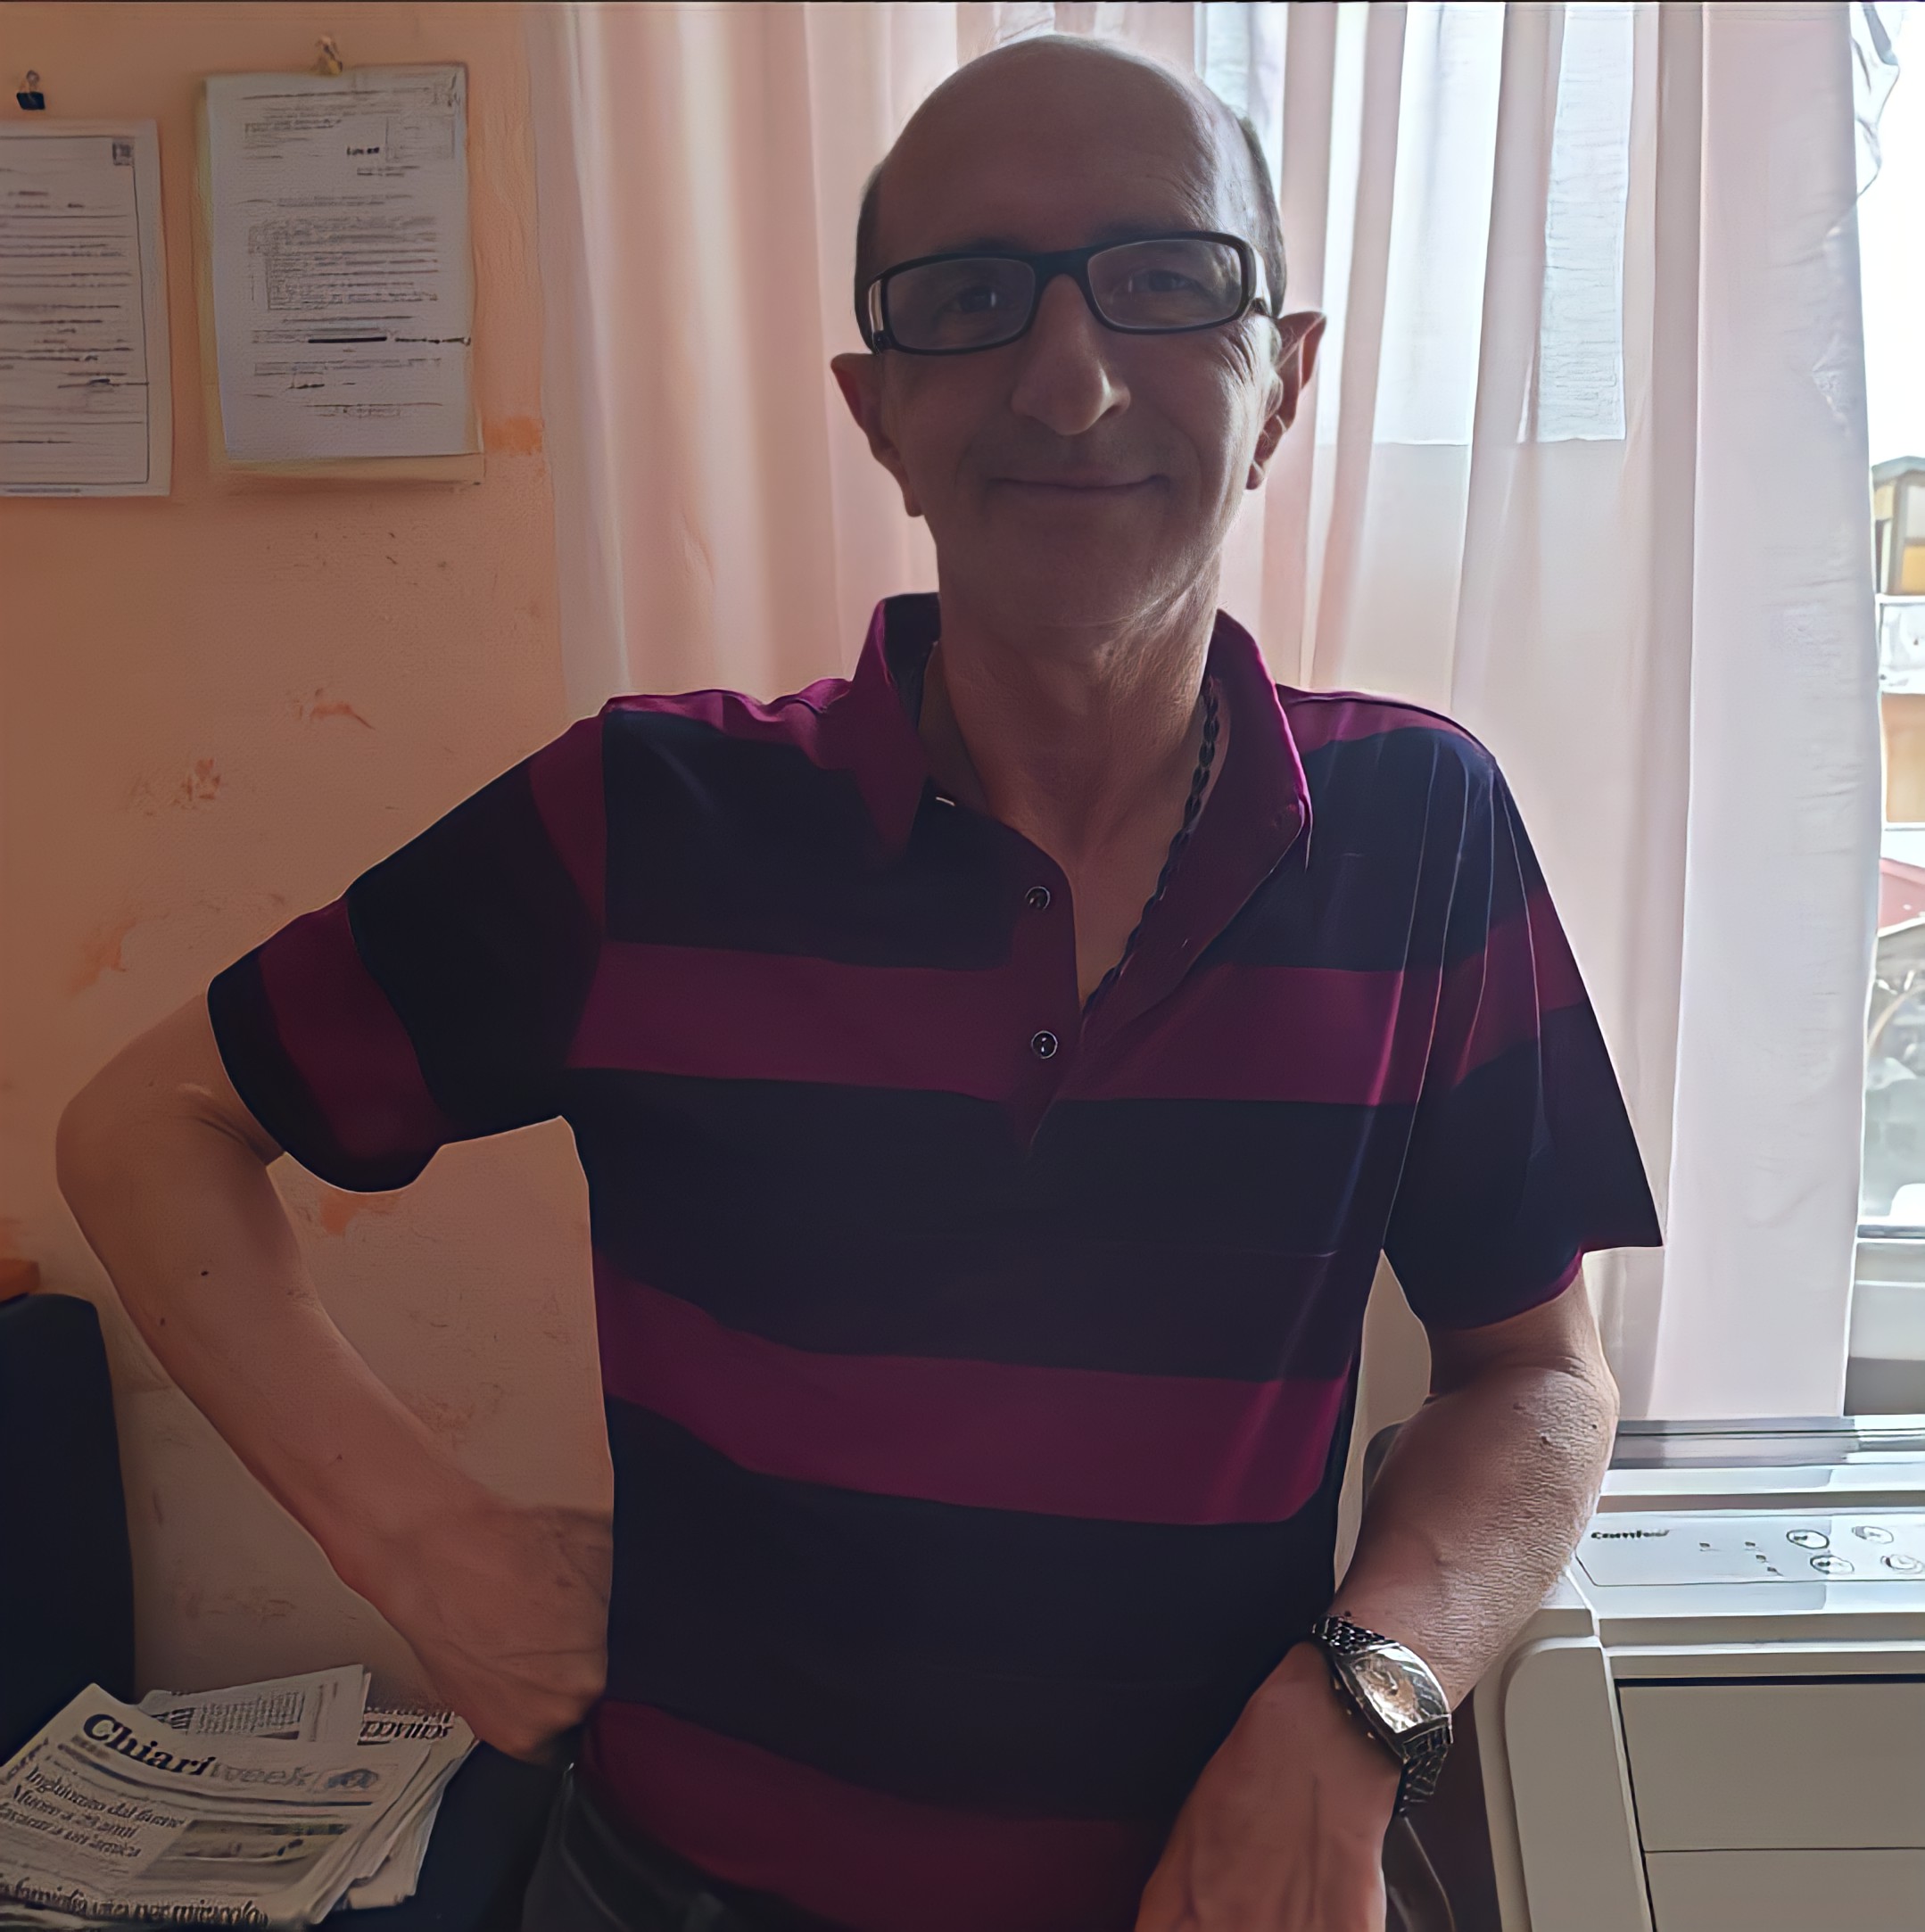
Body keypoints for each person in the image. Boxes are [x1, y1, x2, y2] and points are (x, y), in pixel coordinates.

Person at [57, 34, 1659, 1932]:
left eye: (1163, 279)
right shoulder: (639, 819)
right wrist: (419, 1543)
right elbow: (146, 1133)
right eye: (968, 298)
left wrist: (1364, 1698)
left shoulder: (1420, 826)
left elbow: (1532, 1377)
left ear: (1280, 376)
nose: (1068, 381)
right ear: (874, 408)